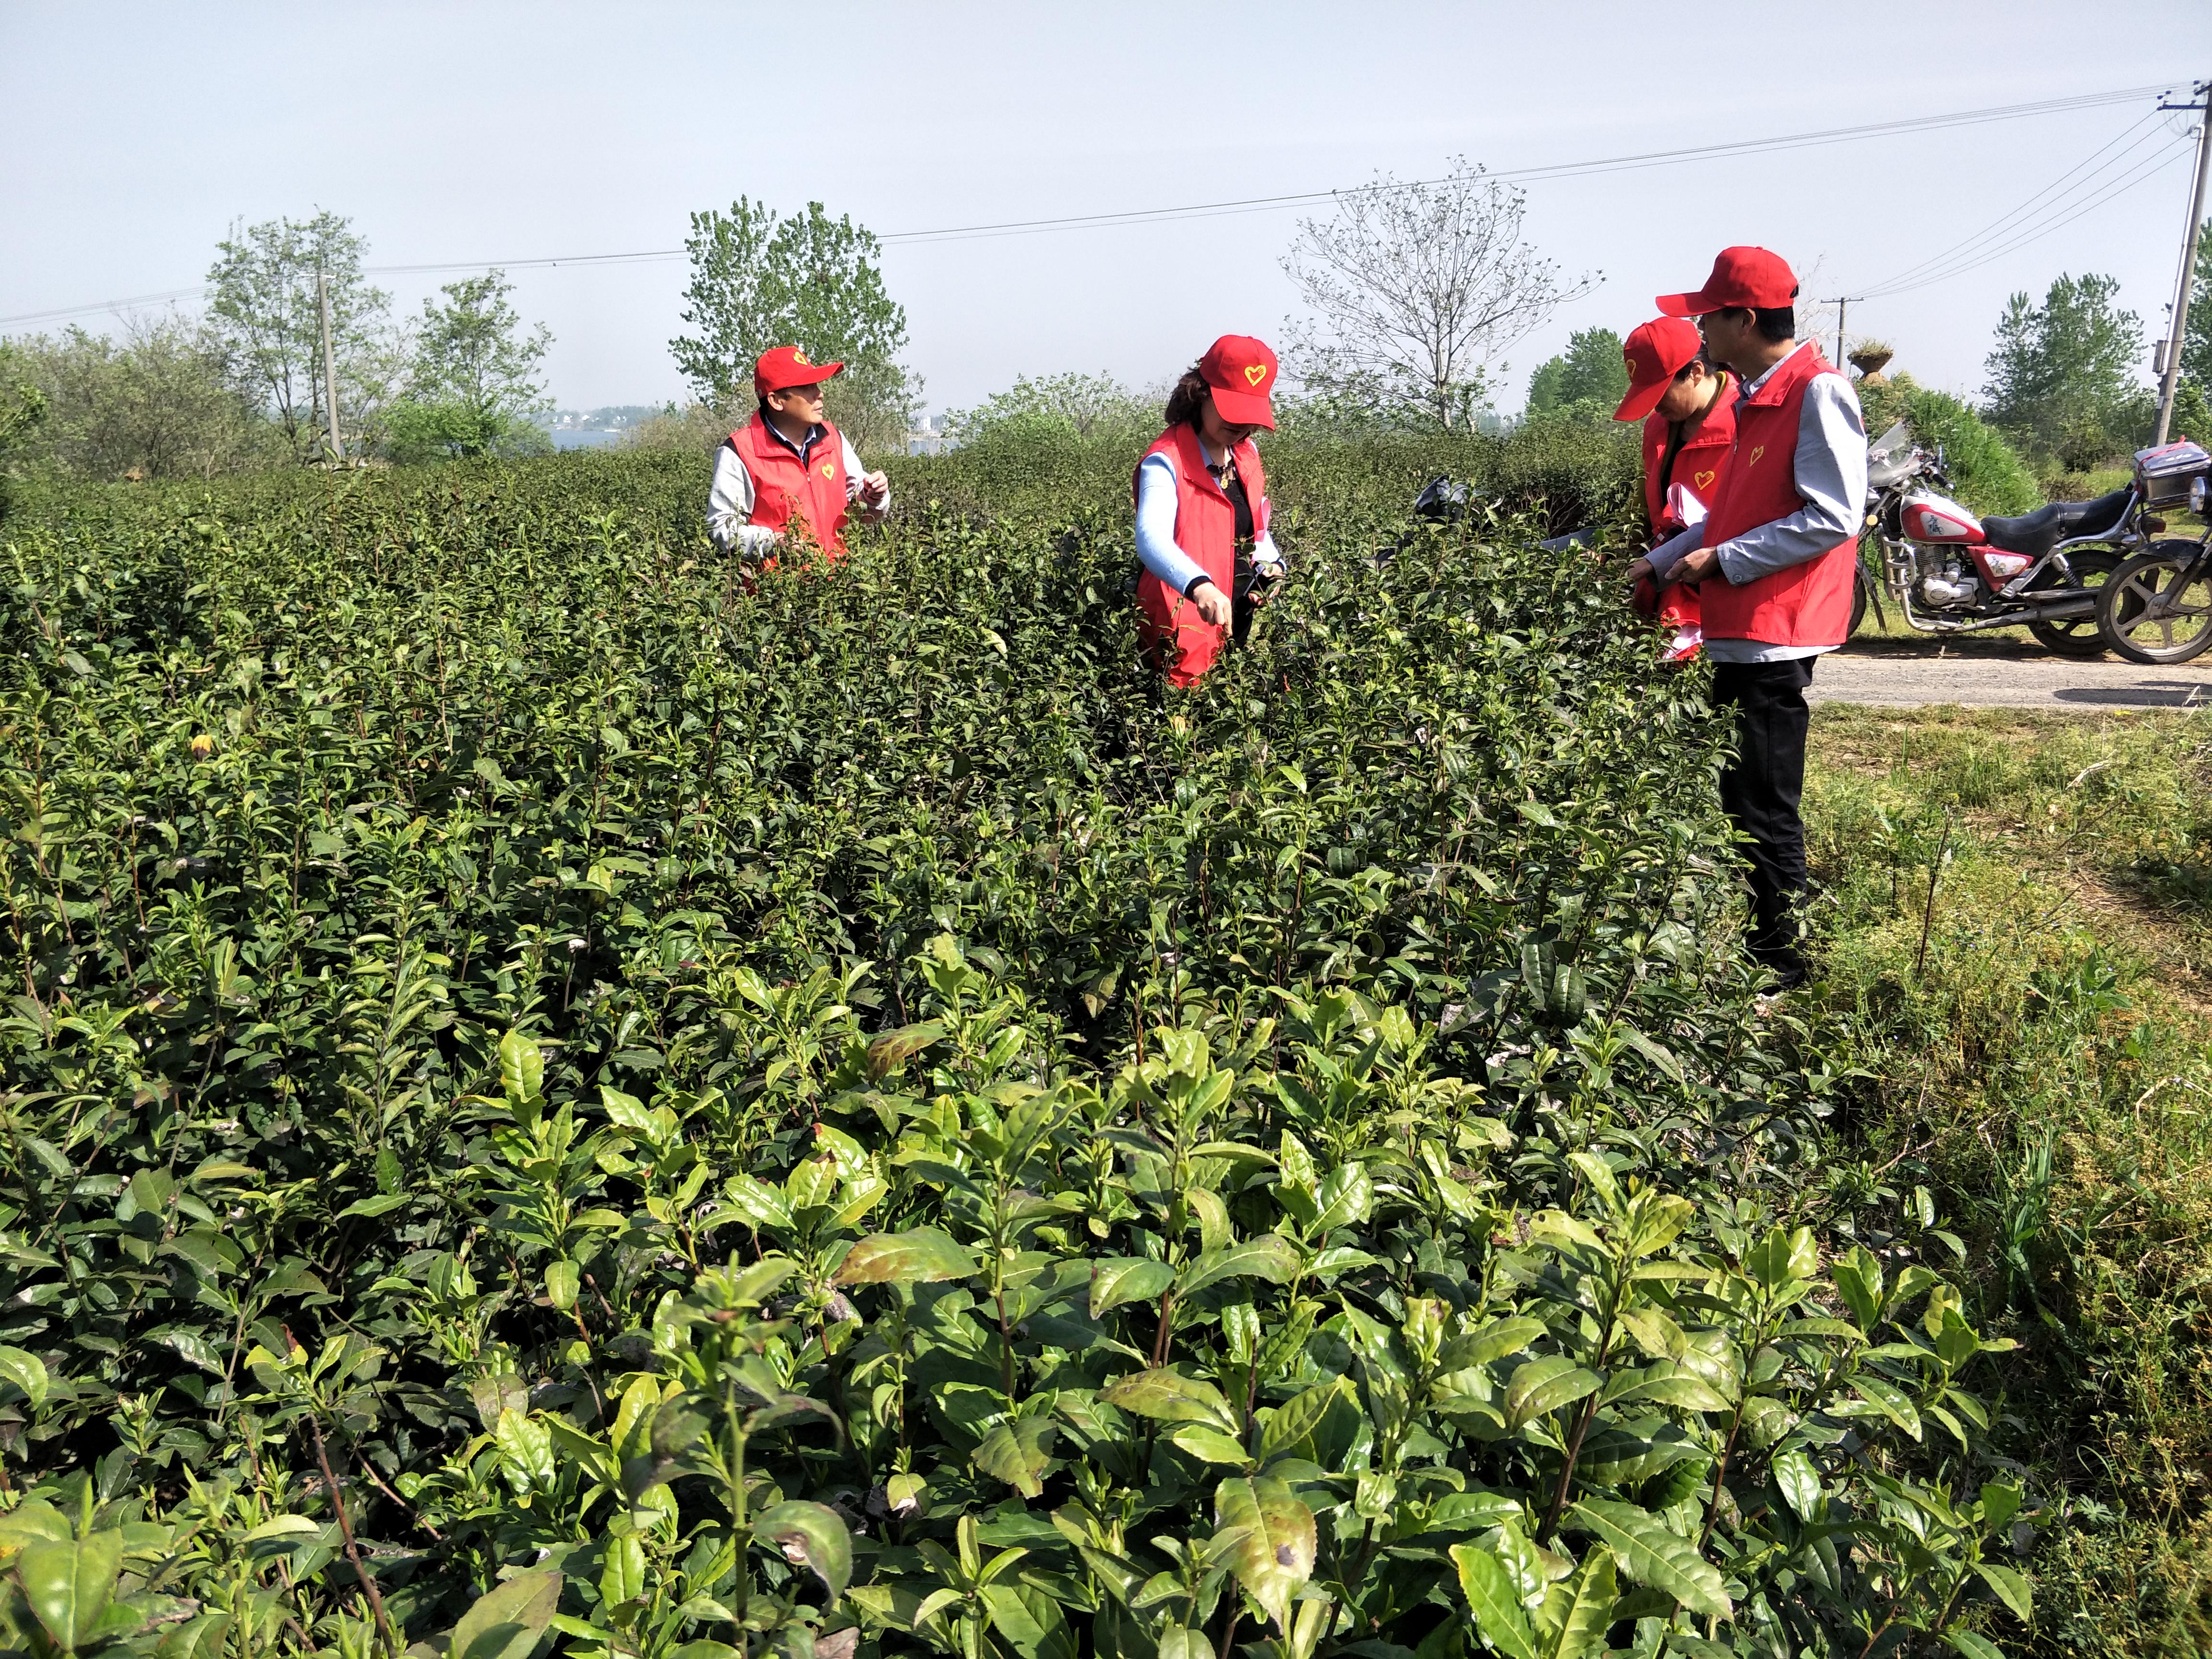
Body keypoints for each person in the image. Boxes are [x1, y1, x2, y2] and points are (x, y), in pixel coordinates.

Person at [1633, 248, 1868, 988]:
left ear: (1743, 318)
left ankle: (1784, 966)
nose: (1699, 327)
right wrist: (1665, 557)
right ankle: (1764, 946)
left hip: (1777, 632)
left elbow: (1834, 516)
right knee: (1741, 797)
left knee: (1766, 806)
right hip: (1744, 631)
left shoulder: (1817, 392)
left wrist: (1724, 562)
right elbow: (1731, 513)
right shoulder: (1760, 395)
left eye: (1708, 314)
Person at [1134, 335, 1286, 686]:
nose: (1240, 426)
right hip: (1179, 628)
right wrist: (1200, 587)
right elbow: (1151, 538)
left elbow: (1255, 530)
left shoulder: (1246, 455)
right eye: (1231, 411)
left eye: (1249, 415)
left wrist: (1271, 566)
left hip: (1236, 620)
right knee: (1180, 734)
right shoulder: (1166, 460)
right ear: (1200, 393)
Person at [1613, 316, 1736, 662]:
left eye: (1661, 392)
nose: (1656, 406)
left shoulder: (1745, 420)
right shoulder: (1658, 426)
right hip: (1661, 577)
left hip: (1718, 587)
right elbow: (1643, 500)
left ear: (1696, 372)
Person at [707, 346, 890, 566]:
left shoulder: (833, 439)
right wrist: (774, 543)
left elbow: (861, 512)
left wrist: (873, 496)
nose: (819, 393)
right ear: (776, 401)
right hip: (776, 594)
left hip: (840, 588)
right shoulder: (739, 452)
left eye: (817, 385)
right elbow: (723, 528)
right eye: (807, 387)